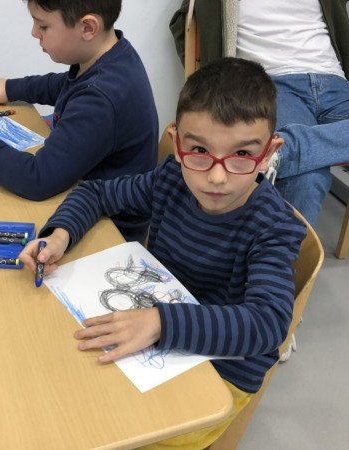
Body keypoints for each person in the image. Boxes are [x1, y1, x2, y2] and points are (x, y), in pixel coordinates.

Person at [19, 57, 307, 449]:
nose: (217, 176)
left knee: (106, 429)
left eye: (242, 155)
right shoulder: (172, 178)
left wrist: (160, 322)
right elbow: (96, 192)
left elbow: (268, 323)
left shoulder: (273, 227)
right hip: (153, 325)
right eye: (199, 150)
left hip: (221, 372)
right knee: (57, 385)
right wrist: (59, 236)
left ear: (270, 151)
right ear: (177, 142)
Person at [170, 0, 349, 227]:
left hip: (336, 86)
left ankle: (286, 151)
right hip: (273, 86)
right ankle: (282, 274)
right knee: (307, 177)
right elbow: (184, 23)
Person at [0, 0, 158, 243]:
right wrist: (11, 88)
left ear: (88, 28)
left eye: (43, 26)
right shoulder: (113, 56)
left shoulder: (100, 98)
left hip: (108, 232)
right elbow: (66, 85)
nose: (34, 33)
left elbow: (37, 179)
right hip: (83, 202)